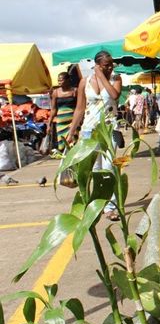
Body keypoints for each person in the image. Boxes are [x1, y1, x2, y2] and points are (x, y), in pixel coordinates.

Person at [66, 51, 122, 220]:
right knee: (94, 169)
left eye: (111, 64)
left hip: (109, 129)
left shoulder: (116, 79)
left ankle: (111, 207)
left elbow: (114, 95)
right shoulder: (85, 82)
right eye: (106, 65)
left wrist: (102, 76)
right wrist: (71, 132)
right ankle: (98, 204)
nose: (110, 67)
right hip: (89, 129)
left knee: (109, 168)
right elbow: (80, 108)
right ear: (98, 64)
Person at [47, 72, 77, 151]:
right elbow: (53, 109)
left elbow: (79, 106)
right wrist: (49, 124)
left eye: (61, 80)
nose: (59, 82)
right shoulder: (55, 92)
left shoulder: (74, 91)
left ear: (67, 80)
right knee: (62, 145)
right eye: (58, 80)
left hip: (73, 121)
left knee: (73, 143)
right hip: (61, 123)